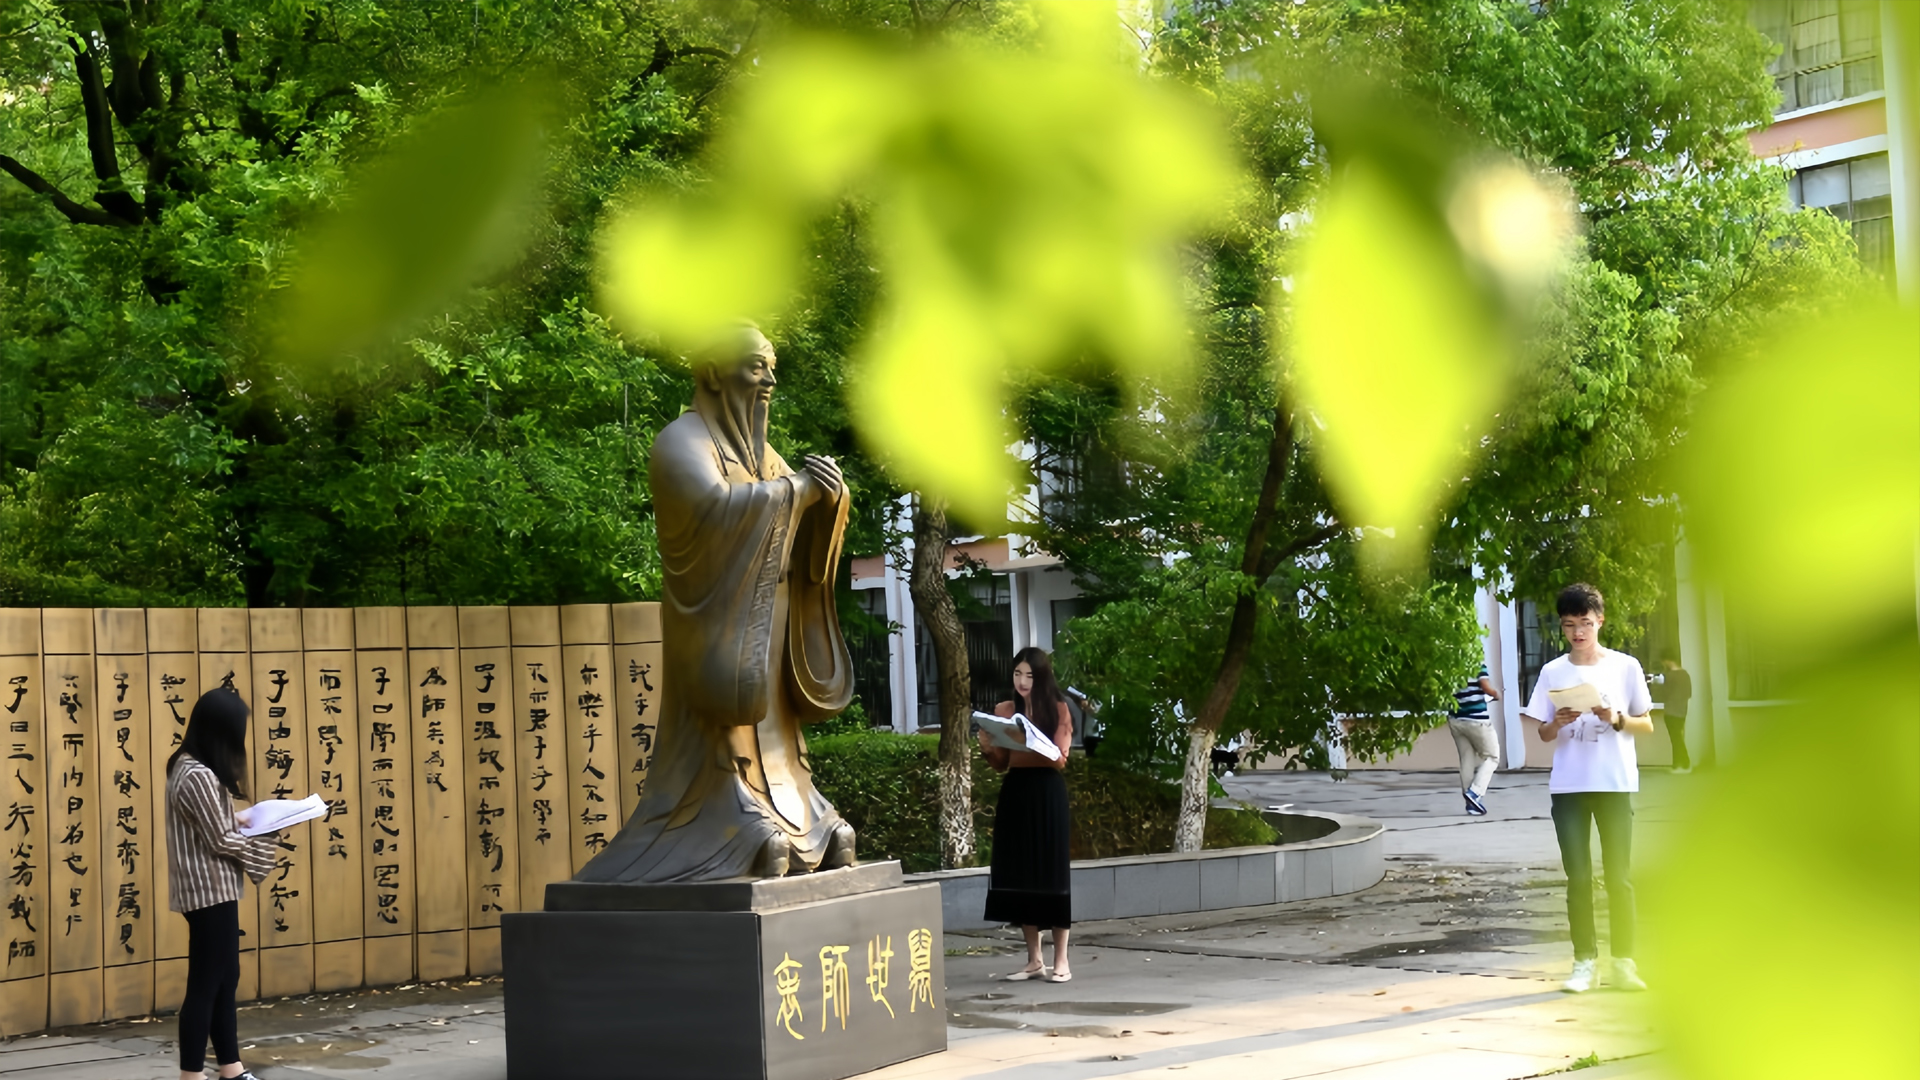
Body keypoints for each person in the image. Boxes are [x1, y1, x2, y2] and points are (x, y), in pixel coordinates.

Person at [576, 323, 857, 883]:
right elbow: (710, 511)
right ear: (711, 372)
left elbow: (792, 505)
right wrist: (797, 493)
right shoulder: (681, 442)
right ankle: (730, 816)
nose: (769, 379)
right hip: (720, 629)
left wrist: (829, 496)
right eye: (755, 366)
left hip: (770, 625)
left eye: (771, 366)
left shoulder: (762, 455)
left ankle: (801, 813)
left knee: (778, 733)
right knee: (724, 731)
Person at [1523, 583, 1655, 994]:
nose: (1577, 632)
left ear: (1600, 621)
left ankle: (1624, 963)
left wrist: (1616, 718)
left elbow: (1646, 725)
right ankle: (1585, 962)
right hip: (1569, 787)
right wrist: (1557, 723)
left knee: (1619, 877)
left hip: (1614, 783)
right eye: (1569, 625)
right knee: (1578, 877)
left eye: (1585, 623)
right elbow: (1542, 734)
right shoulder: (1553, 671)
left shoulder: (1625, 667)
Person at [166, 688, 279, 1080]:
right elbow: (220, 839)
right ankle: (191, 1075)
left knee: (224, 980)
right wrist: (268, 837)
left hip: (211, 888)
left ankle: (231, 1068)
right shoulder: (197, 773)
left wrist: (244, 818)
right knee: (206, 985)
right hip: (207, 890)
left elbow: (211, 824)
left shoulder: (188, 765)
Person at [977, 647, 1076, 984]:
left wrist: (1034, 741)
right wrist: (988, 747)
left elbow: (1060, 759)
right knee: (1021, 873)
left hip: (1047, 792)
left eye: (1029, 675)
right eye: (1017, 674)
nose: (1022, 681)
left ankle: (1061, 960)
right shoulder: (1005, 710)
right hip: (1016, 791)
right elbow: (1001, 763)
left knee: (1051, 873)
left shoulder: (1058, 709)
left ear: (1041, 677)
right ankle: (1034, 959)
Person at [1448, 663, 1502, 815]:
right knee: (1492, 757)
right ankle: (1475, 792)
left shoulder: (1450, 665)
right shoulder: (1477, 664)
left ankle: (1471, 804)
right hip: (1477, 720)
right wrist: (1496, 693)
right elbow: (1485, 686)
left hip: (1455, 719)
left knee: (1466, 759)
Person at [1654, 653, 1693, 774]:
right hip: (1682, 710)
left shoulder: (1670, 676)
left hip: (1671, 711)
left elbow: (1664, 693)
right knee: (1678, 738)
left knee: (1676, 739)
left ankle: (1684, 764)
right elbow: (1689, 693)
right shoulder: (1685, 675)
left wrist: (1659, 683)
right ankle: (1678, 765)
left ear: (1667, 661)